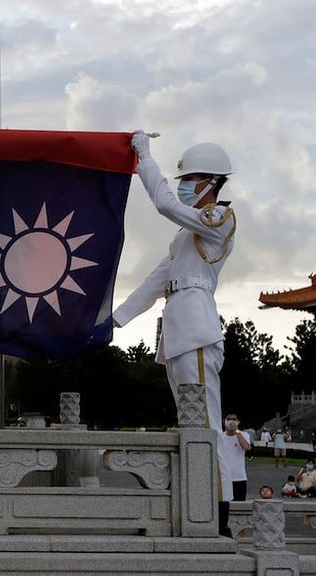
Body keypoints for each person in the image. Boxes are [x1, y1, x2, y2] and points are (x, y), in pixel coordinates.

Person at [113, 135, 235, 432]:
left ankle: (213, 481)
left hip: (196, 331)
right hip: (179, 331)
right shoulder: (185, 235)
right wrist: (114, 320)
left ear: (212, 182)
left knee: (205, 428)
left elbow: (165, 204)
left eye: (190, 178)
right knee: (191, 426)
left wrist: (144, 159)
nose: (184, 185)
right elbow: (156, 281)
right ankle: (199, 480)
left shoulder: (220, 218)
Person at [215, 413, 250, 536]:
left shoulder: (243, 435)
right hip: (224, 478)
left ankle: (241, 536)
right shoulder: (220, 436)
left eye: (234, 419)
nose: (231, 421)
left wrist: (236, 432)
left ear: (238, 421)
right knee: (224, 509)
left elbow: (246, 447)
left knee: (240, 510)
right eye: (228, 419)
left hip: (239, 477)